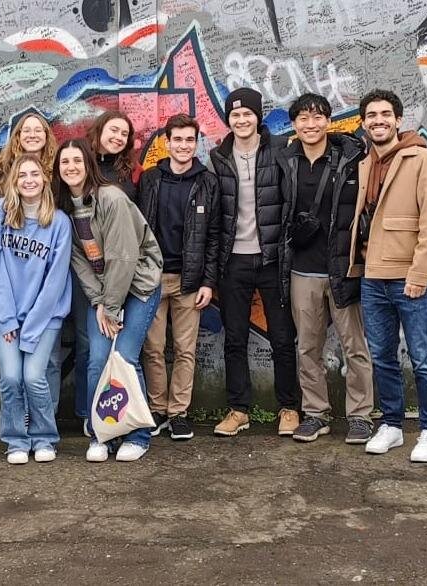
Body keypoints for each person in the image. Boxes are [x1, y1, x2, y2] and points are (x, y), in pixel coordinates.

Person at [348, 89, 427, 463]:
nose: (379, 121)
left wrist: (420, 275)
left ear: (398, 120)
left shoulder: (423, 160)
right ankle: (391, 425)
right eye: (371, 115)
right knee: (382, 357)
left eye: (385, 114)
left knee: (423, 358)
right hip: (372, 277)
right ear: (363, 123)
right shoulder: (365, 163)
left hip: (409, 278)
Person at [53, 139, 162, 462]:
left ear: (88, 164)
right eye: (64, 162)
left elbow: (123, 257)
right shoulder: (65, 209)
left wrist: (110, 309)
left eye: (77, 161)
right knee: (97, 359)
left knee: (125, 357)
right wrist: (99, 302)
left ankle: (138, 435)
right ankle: (103, 434)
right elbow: (79, 263)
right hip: (104, 293)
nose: (71, 167)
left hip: (138, 286)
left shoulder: (111, 198)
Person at [278, 93, 375, 445]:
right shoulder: (285, 160)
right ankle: (316, 413)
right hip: (302, 271)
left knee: (355, 346)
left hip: (343, 269)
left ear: (329, 121)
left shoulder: (352, 157)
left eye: (318, 117)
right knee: (307, 347)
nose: (311, 124)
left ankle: (360, 416)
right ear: (294, 124)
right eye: (303, 118)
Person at [209, 87, 300, 437]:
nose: (241, 120)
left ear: (257, 116)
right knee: (234, 339)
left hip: (272, 260)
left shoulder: (280, 150)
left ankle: (289, 408)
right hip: (233, 262)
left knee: (282, 337)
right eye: (235, 115)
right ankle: (238, 410)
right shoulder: (218, 157)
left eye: (247, 113)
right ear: (228, 119)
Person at [0, 154, 72, 464]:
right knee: (10, 377)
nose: (29, 180)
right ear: (14, 181)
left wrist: (31, 327)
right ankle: (16, 440)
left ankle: (44, 437)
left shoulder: (59, 222)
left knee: (34, 376)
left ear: (45, 180)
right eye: (22, 175)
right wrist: (7, 319)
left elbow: (56, 280)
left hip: (45, 317)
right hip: (7, 315)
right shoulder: (0, 212)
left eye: (35, 174)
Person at [137, 114, 220, 441]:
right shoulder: (150, 179)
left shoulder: (207, 182)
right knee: (153, 348)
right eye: (178, 140)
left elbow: (214, 236)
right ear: (166, 142)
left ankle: (179, 413)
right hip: (153, 279)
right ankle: (158, 410)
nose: (184, 146)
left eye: (190, 140)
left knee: (185, 350)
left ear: (196, 143)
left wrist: (208, 282)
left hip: (190, 280)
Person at [0, 112, 68, 416]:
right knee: (15, 373)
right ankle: (21, 422)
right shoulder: (3, 182)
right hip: (13, 289)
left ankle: (43, 419)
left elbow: (56, 271)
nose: (33, 134)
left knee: (45, 363)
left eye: (39, 130)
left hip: (48, 282)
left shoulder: (58, 172)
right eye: (26, 130)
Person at [86, 110, 139, 200]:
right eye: (114, 130)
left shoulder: (134, 169)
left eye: (124, 134)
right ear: (99, 130)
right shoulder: (81, 163)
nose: (119, 137)